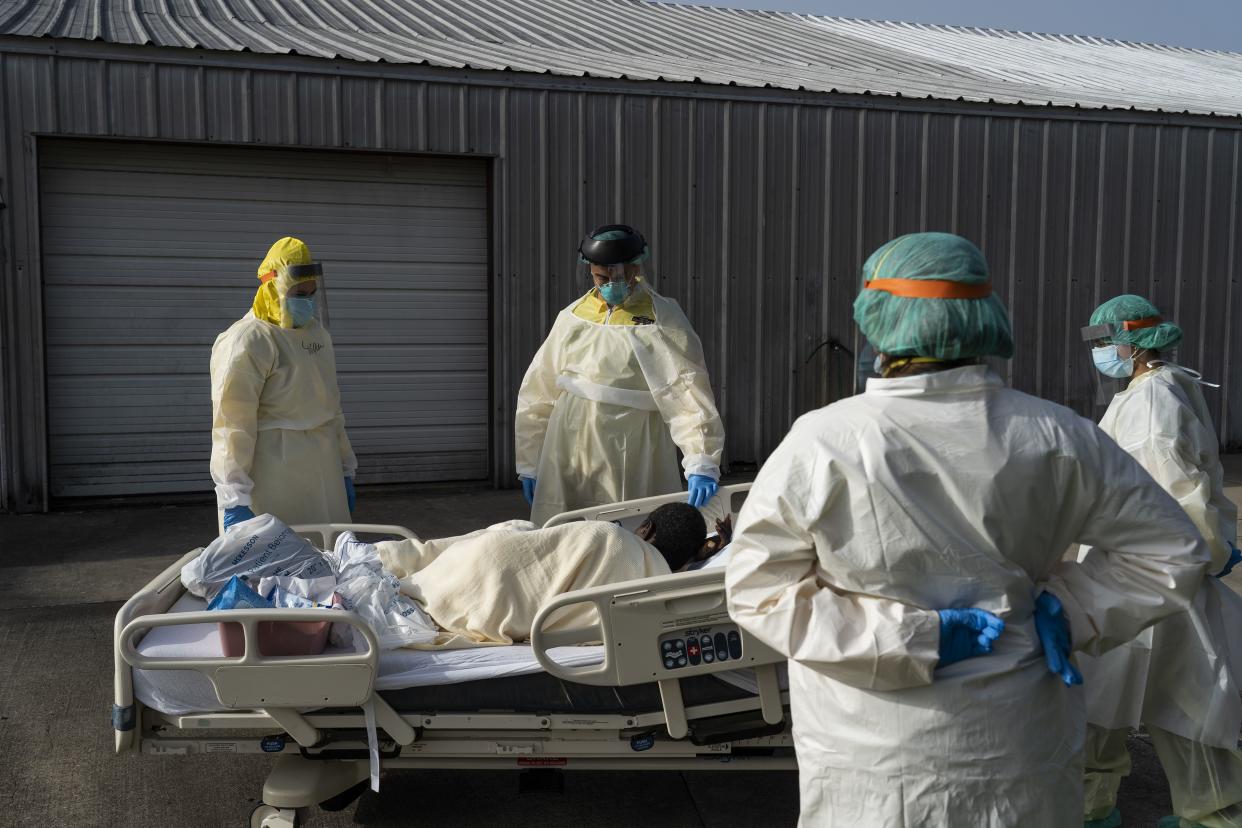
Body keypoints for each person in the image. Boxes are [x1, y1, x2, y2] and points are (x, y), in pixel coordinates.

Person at [724, 232, 1210, 827]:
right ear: (985, 316)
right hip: (1018, 736)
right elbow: (1171, 549)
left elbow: (758, 588)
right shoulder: (1057, 434)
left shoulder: (824, 440)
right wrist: (1077, 608)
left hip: (872, 748)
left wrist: (910, 639)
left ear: (876, 318)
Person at [1079, 294, 1242, 828]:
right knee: (1179, 696)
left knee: (1123, 698)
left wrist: (1201, 547)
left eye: (1107, 341)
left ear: (1133, 343)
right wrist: (1213, 545)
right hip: (1154, 570)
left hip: (1142, 575)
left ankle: (1090, 809)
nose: (1101, 352)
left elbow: (1170, 491)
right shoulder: (1163, 386)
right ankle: (1208, 810)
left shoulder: (1151, 406)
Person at [514, 224, 725, 526]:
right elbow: (538, 389)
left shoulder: (660, 319)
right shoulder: (573, 317)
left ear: (635, 269)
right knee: (567, 533)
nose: (609, 283)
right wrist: (530, 461)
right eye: (601, 276)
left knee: (631, 531)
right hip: (569, 441)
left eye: (617, 275)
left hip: (634, 442)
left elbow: (687, 391)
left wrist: (702, 460)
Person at [337, 503, 707, 647]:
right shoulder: (660, 589)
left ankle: (382, 559)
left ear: (646, 528)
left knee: (512, 531)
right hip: (489, 604)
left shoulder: (610, 535)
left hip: (473, 569)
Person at [210, 237, 357, 532]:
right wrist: (234, 496)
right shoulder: (248, 341)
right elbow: (231, 426)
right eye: (299, 293)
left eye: (312, 293)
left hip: (325, 472)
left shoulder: (316, 335)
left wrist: (345, 467)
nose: (308, 301)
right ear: (271, 288)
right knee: (279, 568)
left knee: (329, 566)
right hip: (273, 477)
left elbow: (331, 407)